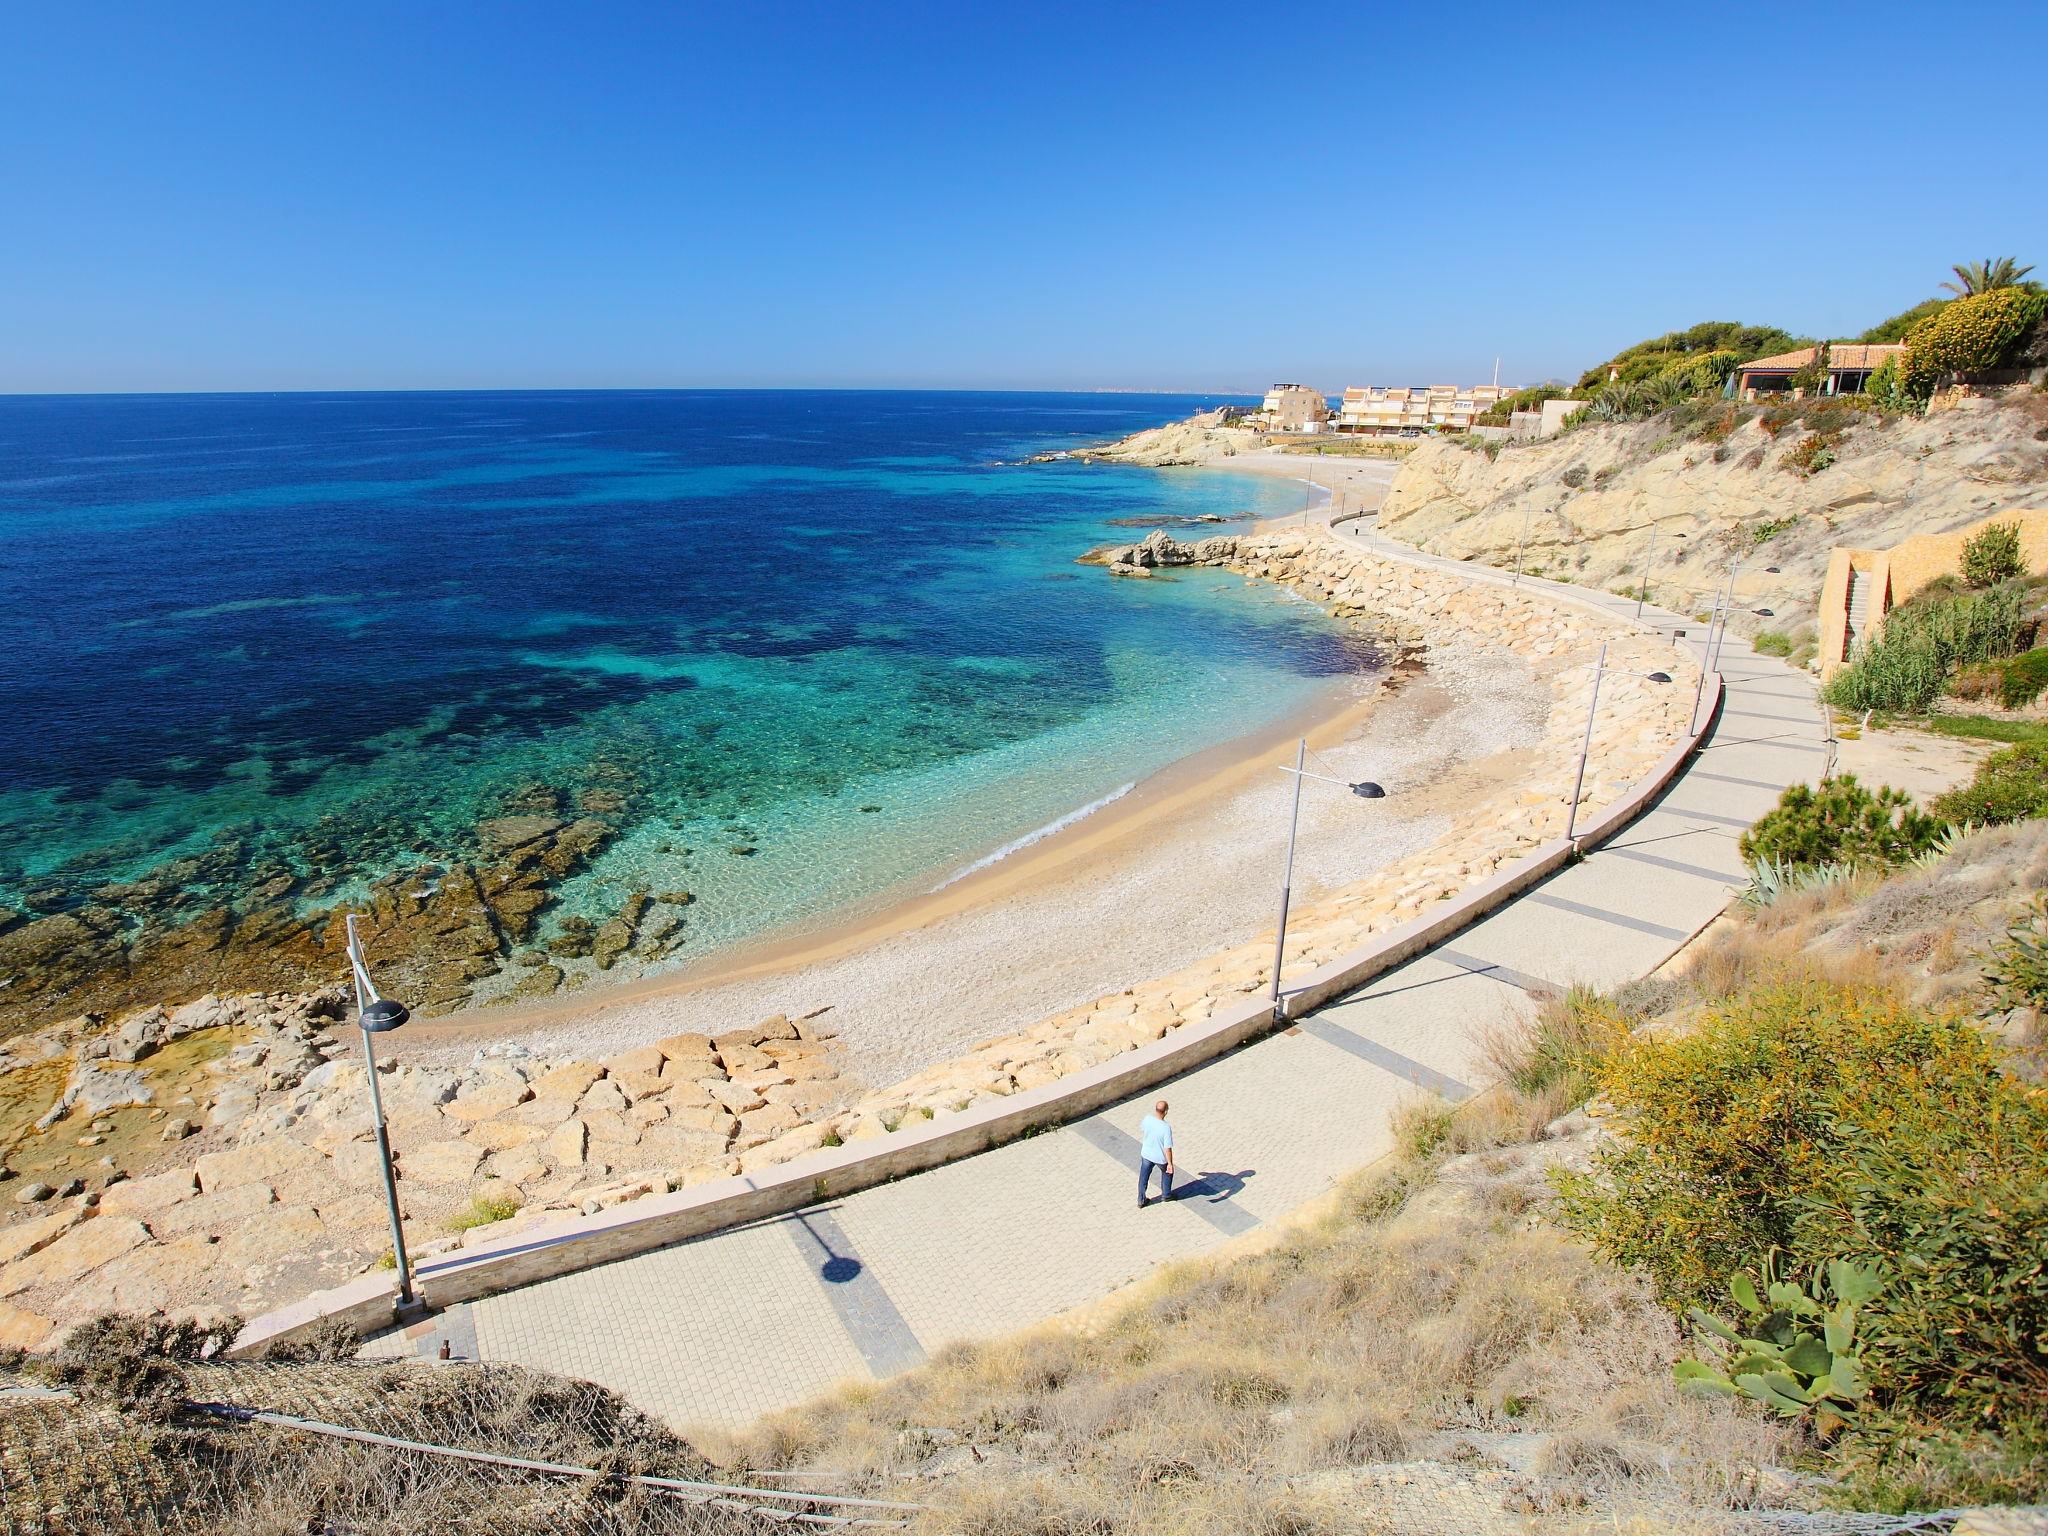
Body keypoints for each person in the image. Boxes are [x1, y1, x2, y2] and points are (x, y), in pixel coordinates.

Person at [1138, 1099, 1174, 1207]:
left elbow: (1143, 1129)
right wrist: (1170, 1164)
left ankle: (1141, 1200)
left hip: (1146, 1154)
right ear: (1166, 1112)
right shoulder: (1166, 1128)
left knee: (1143, 1178)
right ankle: (1166, 1195)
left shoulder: (1147, 1119)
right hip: (1160, 1157)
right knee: (1168, 1172)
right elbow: (1167, 1148)